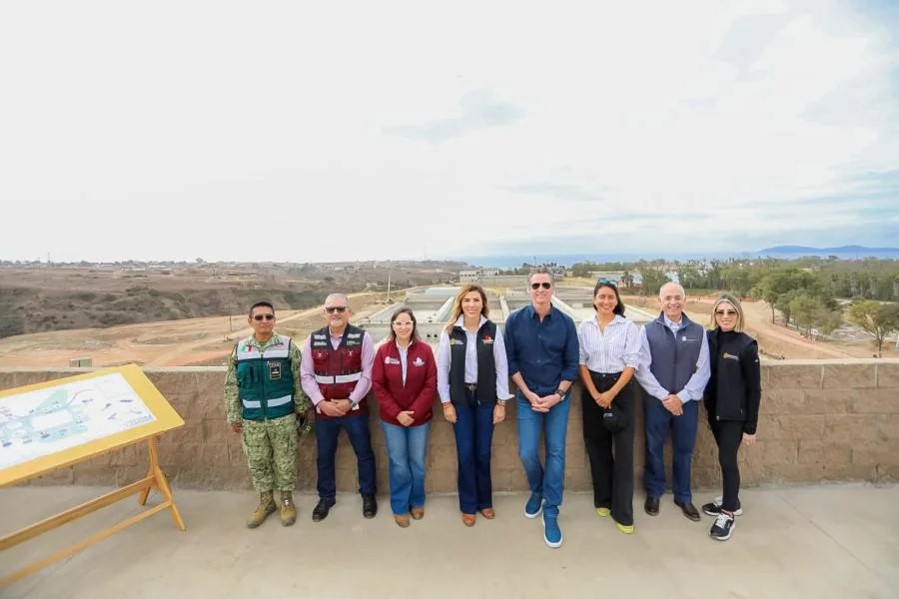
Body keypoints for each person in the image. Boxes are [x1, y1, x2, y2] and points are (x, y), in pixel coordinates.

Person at [504, 269, 579, 548]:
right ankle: (537, 490)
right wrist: (528, 393)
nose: (540, 289)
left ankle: (551, 509)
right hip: (527, 397)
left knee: (557, 451)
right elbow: (511, 362)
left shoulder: (566, 324)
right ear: (528, 289)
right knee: (527, 451)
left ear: (553, 289)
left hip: (558, 398)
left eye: (546, 284)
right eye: (535, 285)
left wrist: (557, 395)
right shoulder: (514, 322)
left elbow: (572, 365)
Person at [225, 300, 309, 528]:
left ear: (274, 320)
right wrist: (233, 414)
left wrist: (302, 409)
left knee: (285, 461)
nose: (264, 321)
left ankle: (286, 501)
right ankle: (265, 502)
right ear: (250, 321)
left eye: (269, 317)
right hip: (252, 420)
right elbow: (232, 384)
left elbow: (299, 380)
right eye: (259, 317)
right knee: (258, 462)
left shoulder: (287, 346)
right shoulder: (240, 349)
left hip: (282, 417)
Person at [436, 284, 513, 527]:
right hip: (460, 400)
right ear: (461, 303)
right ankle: (468, 505)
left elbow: (502, 367)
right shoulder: (449, 331)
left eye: (476, 300)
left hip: (486, 400)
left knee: (482, 452)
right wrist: (446, 402)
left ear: (482, 304)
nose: (471, 304)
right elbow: (441, 370)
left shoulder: (492, 330)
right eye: (467, 300)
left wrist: (501, 402)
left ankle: (484, 501)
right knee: (466, 453)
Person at [635, 282, 710, 522]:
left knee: (684, 450)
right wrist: (665, 396)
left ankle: (683, 496)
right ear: (660, 301)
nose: (672, 302)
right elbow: (642, 369)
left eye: (677, 298)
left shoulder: (699, 332)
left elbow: (703, 370)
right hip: (658, 402)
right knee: (653, 448)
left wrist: (682, 397)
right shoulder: (647, 331)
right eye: (667, 298)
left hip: (687, 403)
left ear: (684, 300)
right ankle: (654, 492)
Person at [301, 293, 377, 521]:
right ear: (324, 313)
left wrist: (350, 401)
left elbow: (368, 375)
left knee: (364, 454)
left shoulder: (363, 338)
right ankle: (326, 497)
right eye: (331, 309)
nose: (336, 313)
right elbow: (306, 375)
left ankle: (368, 496)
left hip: (354, 409)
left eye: (340, 309)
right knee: (324, 455)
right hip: (324, 411)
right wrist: (320, 402)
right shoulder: (312, 340)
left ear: (349, 312)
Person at [577, 280, 641, 535]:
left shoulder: (628, 327)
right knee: (597, 447)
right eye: (601, 297)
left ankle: (623, 512)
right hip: (593, 387)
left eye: (610, 297)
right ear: (594, 300)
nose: (606, 301)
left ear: (617, 300)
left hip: (621, 390)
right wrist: (595, 393)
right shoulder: (584, 327)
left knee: (624, 452)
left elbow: (632, 362)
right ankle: (602, 499)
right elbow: (581, 362)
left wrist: (611, 394)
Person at [701, 293, 761, 541]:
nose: (725, 317)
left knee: (727, 460)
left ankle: (728, 513)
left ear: (738, 315)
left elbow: (754, 389)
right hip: (714, 412)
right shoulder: (709, 338)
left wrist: (751, 427)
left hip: (734, 416)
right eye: (720, 312)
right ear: (714, 315)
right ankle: (731, 500)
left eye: (730, 312)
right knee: (725, 458)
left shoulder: (747, 345)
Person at [372, 308, 437, 528]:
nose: (403, 327)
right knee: (398, 463)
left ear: (413, 325)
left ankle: (417, 501)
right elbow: (378, 386)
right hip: (392, 420)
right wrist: (397, 413)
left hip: (419, 419)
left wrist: (414, 412)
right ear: (392, 326)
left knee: (417, 463)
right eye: (398, 323)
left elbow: (430, 385)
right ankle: (400, 506)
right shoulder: (383, 352)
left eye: (407, 323)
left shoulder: (425, 351)